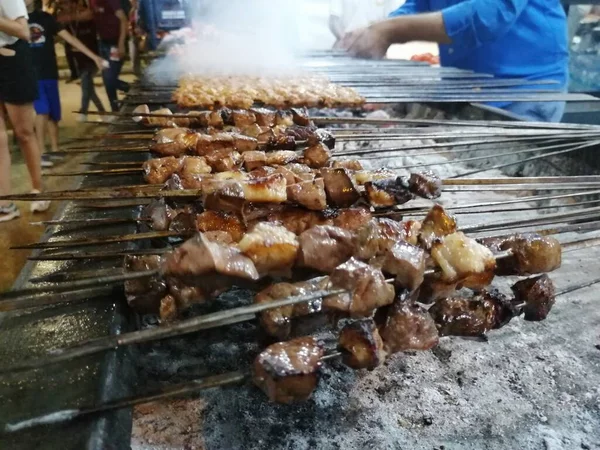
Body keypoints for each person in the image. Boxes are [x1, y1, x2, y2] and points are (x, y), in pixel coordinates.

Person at [339, 0, 569, 123]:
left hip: (524, 90)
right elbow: (419, 4)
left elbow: (490, 14)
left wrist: (390, 31)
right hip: (467, 86)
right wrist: (372, 32)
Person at [26, 0, 106, 167]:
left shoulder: (46, 18)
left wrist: (94, 57)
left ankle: (54, 149)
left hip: (49, 72)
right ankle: (41, 153)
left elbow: (70, 39)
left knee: (53, 112)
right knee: (42, 111)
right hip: (32, 74)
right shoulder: (18, 19)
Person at [0, 0, 49, 221]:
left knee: (24, 133)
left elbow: (23, 31)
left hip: (12, 62)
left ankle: (39, 190)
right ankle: (5, 202)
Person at [56, 0, 107, 123]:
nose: (64, 7)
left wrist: (70, 15)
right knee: (89, 88)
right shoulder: (68, 21)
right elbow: (59, 24)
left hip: (91, 57)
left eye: (66, 3)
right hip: (78, 59)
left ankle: (83, 112)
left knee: (86, 86)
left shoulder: (85, 14)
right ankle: (103, 113)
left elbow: (88, 15)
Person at [90, 0, 130, 111]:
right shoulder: (91, 2)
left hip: (115, 44)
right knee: (107, 80)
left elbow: (123, 19)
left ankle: (132, 90)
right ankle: (115, 109)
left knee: (109, 79)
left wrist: (121, 43)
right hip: (103, 43)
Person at [329, 0, 400, 47]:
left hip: (375, 46)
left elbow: (391, 19)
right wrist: (344, 40)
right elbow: (333, 20)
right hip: (347, 45)